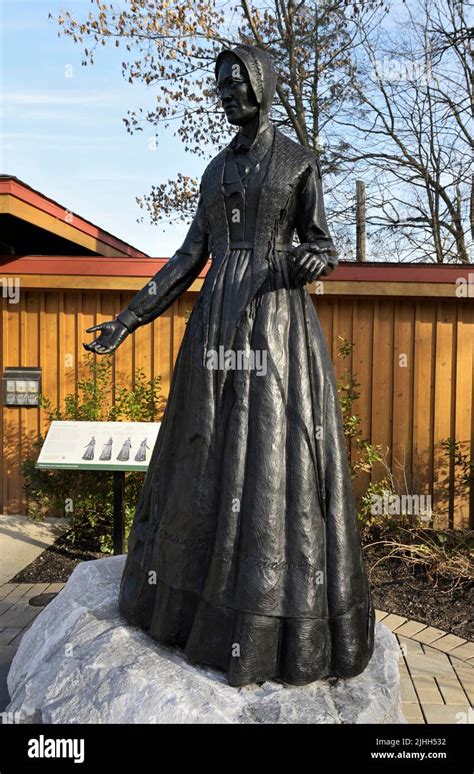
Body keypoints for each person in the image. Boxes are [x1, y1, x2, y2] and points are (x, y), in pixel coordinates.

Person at [84, 44, 375, 687]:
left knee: (272, 458)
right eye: (219, 85)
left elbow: (322, 243)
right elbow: (189, 255)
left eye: (236, 81)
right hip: (215, 323)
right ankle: (186, 609)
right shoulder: (215, 174)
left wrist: (311, 259)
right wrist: (130, 317)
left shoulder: (298, 162)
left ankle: (272, 621)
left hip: (276, 325)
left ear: (263, 84)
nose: (225, 93)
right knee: (204, 452)